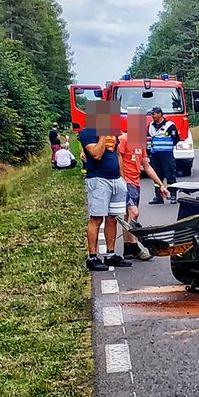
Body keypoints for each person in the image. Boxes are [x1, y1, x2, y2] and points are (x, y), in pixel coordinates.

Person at [78, 99, 133, 271]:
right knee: (96, 218)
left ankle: (110, 254)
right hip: (98, 180)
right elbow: (96, 154)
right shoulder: (87, 133)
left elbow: (117, 155)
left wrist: (122, 179)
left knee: (112, 218)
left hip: (115, 179)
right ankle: (92, 257)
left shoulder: (113, 133)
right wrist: (102, 134)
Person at [119, 125, 169, 260]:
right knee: (134, 214)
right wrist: (122, 181)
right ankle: (135, 248)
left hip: (136, 183)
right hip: (127, 182)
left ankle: (127, 248)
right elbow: (118, 162)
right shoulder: (123, 140)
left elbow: (146, 166)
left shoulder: (140, 144)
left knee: (127, 216)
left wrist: (160, 185)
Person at [146, 106, 179, 204]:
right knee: (156, 175)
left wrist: (167, 146)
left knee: (170, 175)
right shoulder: (151, 125)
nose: (153, 116)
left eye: (154, 114)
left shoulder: (170, 125)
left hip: (167, 155)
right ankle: (158, 197)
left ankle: (173, 196)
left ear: (160, 114)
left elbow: (176, 138)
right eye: (152, 114)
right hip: (155, 154)